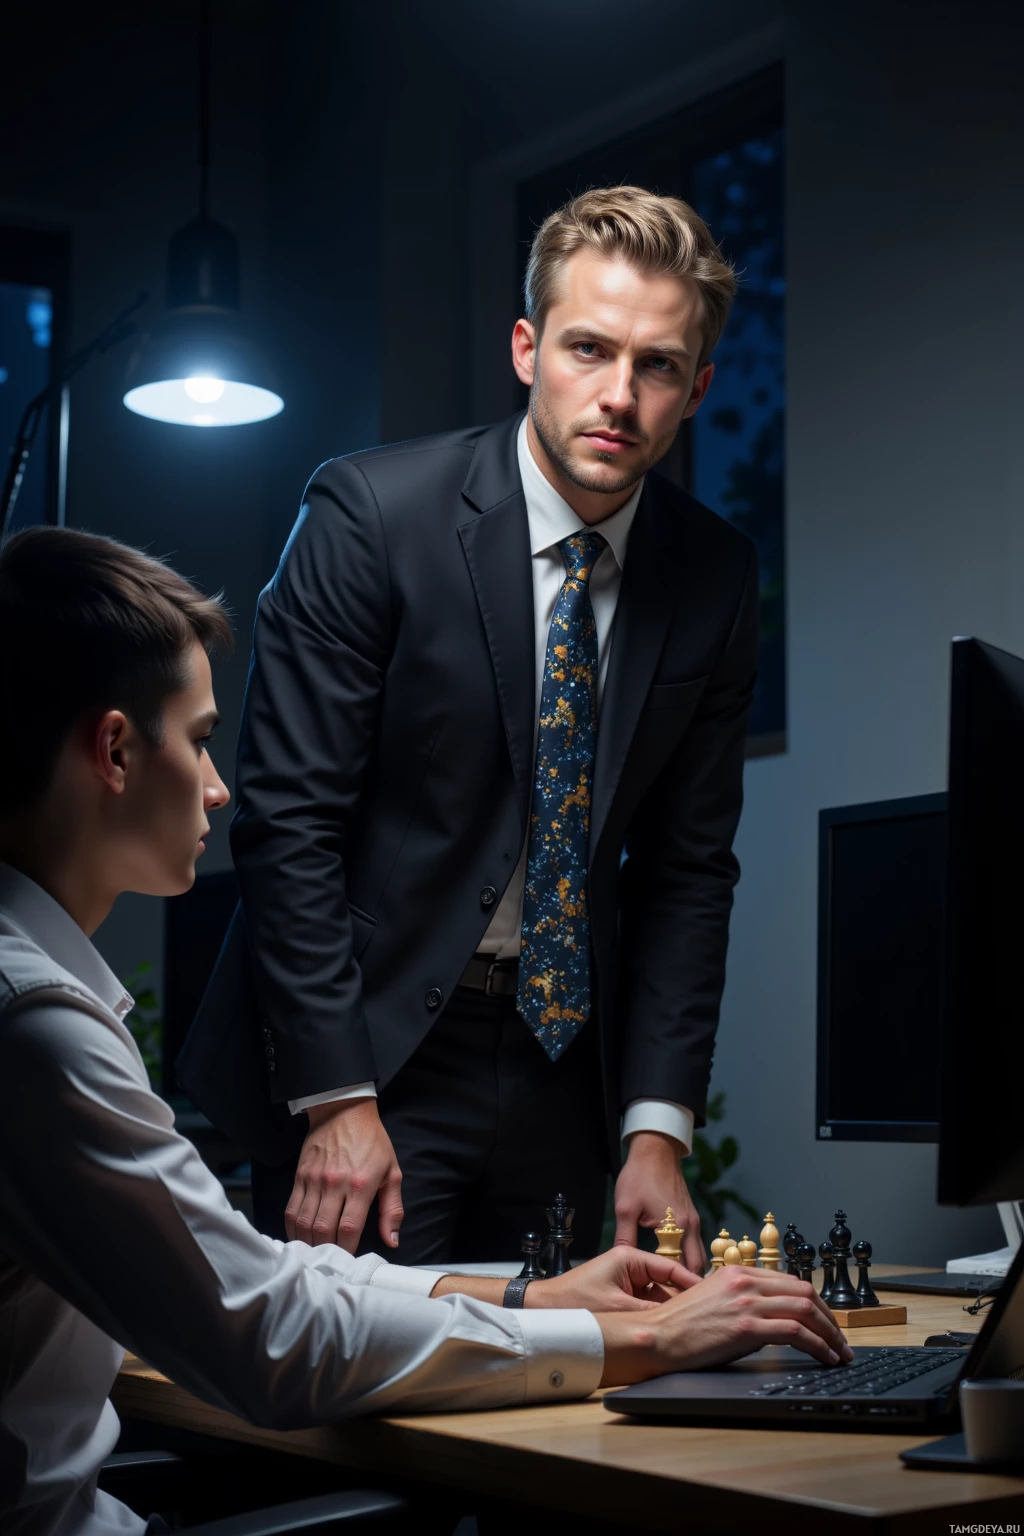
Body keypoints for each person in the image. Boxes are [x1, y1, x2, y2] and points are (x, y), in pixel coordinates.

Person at [0, 528, 851, 1536]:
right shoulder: (35, 1029)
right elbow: (269, 1336)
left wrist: (535, 1295)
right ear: (112, 750)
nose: (222, 786)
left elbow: (264, 1276)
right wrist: (646, 1343)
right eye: (197, 739)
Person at [180, 185, 758, 1273]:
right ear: (526, 347)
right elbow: (287, 825)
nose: (619, 396)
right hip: (372, 1052)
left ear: (698, 388)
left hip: (562, 1069)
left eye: (659, 367)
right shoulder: (369, 518)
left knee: (548, 1398)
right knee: (351, 1412)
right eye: (589, 350)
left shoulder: (715, 576)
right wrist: (336, 1099)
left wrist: (656, 1128)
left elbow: (688, 871)